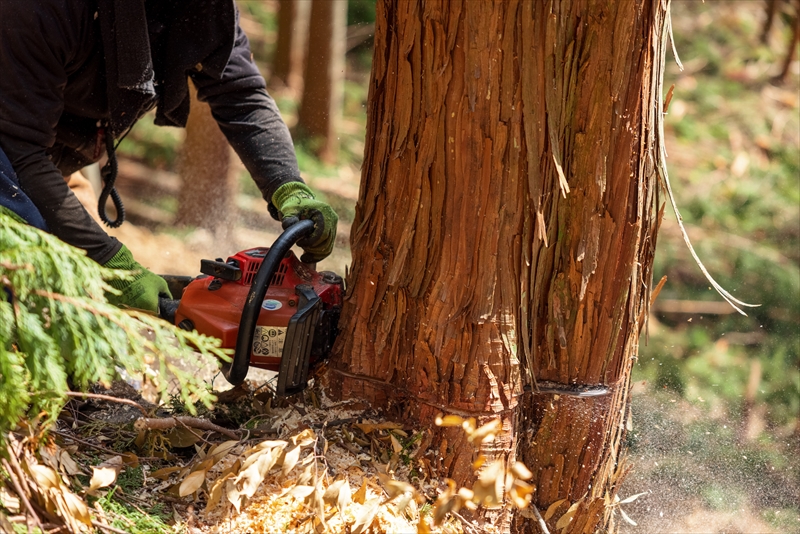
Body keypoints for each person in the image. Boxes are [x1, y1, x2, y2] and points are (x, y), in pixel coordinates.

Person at [0, 0, 338, 314]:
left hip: (45, 151)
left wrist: (288, 186)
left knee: (84, 296)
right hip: (14, 152)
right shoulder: (42, 9)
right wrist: (108, 258)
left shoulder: (202, 9)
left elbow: (242, 94)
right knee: (33, 277)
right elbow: (20, 152)